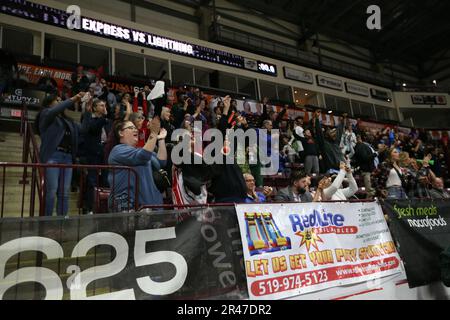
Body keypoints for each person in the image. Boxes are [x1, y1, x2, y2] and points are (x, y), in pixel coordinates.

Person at [37, 92, 85, 216]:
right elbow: (54, 111)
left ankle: (62, 222)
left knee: (64, 192)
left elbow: (84, 129)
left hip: (68, 157)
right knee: (51, 191)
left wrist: (88, 110)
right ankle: (46, 221)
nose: (59, 102)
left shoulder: (67, 120)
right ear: (49, 103)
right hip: (53, 155)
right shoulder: (46, 114)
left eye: (60, 100)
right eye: (57, 100)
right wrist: (74, 98)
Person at [108, 119, 167, 211]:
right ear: (121, 133)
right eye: (131, 128)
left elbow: (161, 162)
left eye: (135, 128)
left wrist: (161, 139)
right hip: (131, 207)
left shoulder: (140, 149)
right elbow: (143, 156)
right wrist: (154, 133)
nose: (135, 130)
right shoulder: (117, 151)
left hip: (152, 205)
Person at [80, 99, 111, 214]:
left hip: (104, 153)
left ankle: (103, 207)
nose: (104, 107)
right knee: (92, 180)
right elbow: (92, 129)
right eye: (101, 105)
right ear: (94, 107)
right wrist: (104, 117)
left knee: (106, 180)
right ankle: (89, 207)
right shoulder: (89, 119)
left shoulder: (106, 121)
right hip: (92, 153)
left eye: (105, 105)